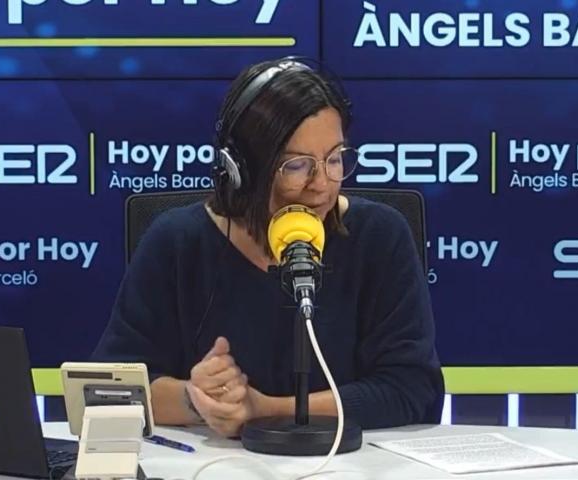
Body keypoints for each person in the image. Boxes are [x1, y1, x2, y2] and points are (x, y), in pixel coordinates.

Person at [91, 57, 444, 437]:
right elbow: (109, 393)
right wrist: (196, 399)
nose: (321, 184)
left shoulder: (379, 236)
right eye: (297, 166)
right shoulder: (177, 242)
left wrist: (263, 411)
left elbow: (413, 389)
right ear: (240, 170)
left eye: (334, 159)